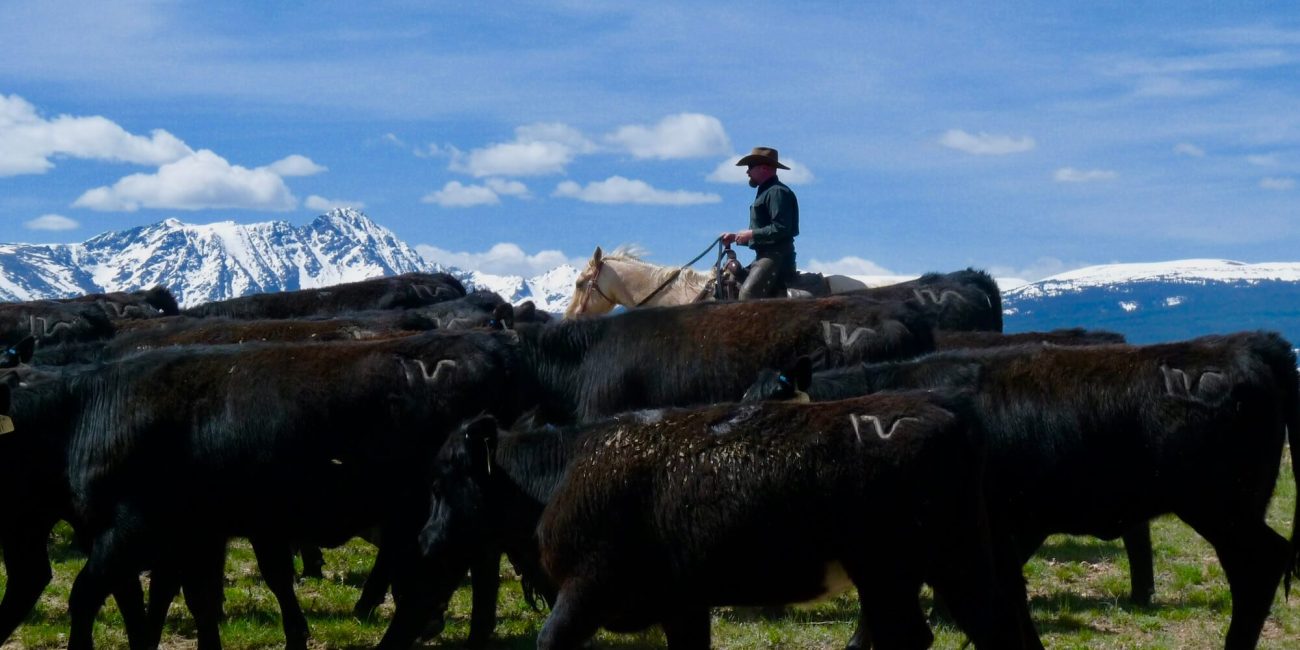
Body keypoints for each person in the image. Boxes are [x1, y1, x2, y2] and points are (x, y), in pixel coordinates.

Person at [720, 146, 799, 299]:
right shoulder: (767, 192)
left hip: (777, 258)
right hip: (765, 256)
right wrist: (736, 237)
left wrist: (750, 234)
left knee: (747, 295)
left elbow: (781, 228)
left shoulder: (776, 192)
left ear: (764, 168)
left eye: (750, 167)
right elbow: (765, 231)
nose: (747, 172)